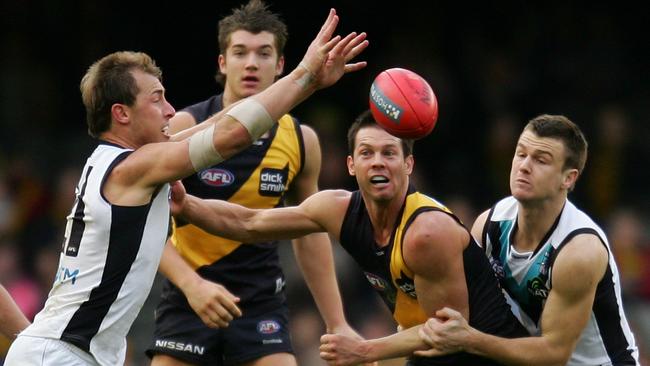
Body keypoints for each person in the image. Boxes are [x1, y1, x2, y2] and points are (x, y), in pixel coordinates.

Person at [3, 9, 368, 365]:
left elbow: (221, 127)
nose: (169, 110)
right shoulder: (134, 168)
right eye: (157, 98)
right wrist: (307, 77)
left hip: (61, 351)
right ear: (121, 114)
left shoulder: (118, 163)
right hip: (64, 354)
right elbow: (230, 137)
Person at [167, 110, 527, 365]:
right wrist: (186, 204)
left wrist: (365, 351)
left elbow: (447, 332)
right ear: (351, 165)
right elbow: (251, 221)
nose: (378, 163)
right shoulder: (336, 209)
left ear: (408, 165)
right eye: (367, 154)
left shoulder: (426, 233)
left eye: (389, 153)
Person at [146, 1, 363, 365]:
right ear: (222, 63)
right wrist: (191, 285)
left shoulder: (301, 140)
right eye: (240, 52)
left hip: (261, 301)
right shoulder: (184, 127)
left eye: (264, 54)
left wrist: (337, 322)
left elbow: (309, 231)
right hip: (188, 297)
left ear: (280, 65)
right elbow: (145, 221)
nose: (251, 63)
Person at [417, 114, 640, 365]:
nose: (524, 166)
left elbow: (553, 354)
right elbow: (460, 310)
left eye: (541, 160)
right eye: (521, 154)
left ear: (568, 178)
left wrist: (468, 340)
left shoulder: (579, 251)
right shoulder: (489, 224)